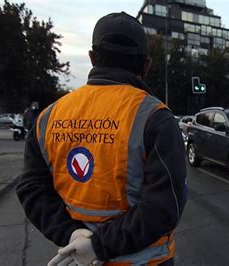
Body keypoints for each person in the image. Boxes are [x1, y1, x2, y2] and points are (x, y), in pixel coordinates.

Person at [16, 12, 187, 265]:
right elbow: (164, 206)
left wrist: (71, 234)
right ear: (147, 66)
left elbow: (31, 188)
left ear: (92, 58)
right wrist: (99, 246)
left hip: (77, 257)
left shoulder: (48, 117)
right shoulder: (155, 117)